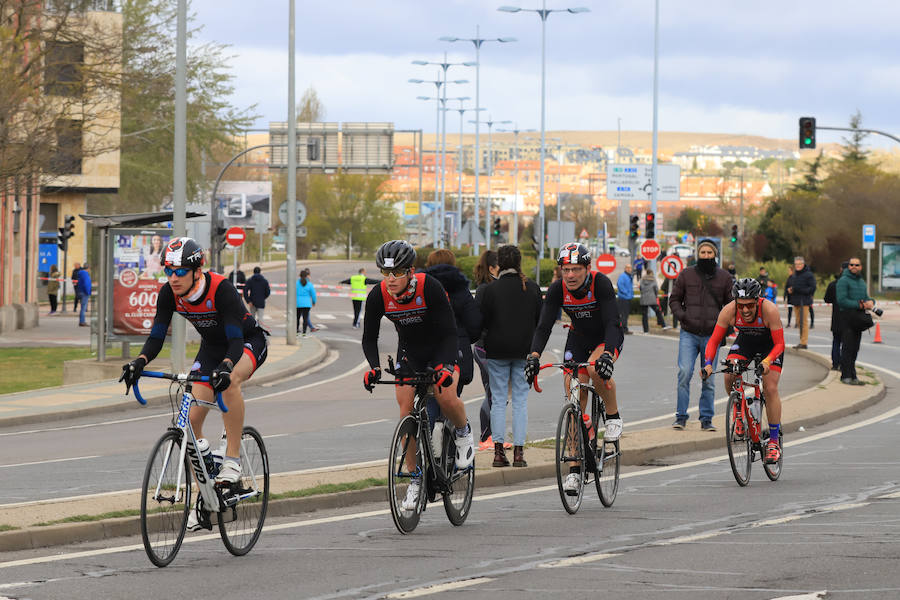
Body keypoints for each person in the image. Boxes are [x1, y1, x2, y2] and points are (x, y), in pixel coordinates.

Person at [118, 237, 269, 530]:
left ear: (196, 271)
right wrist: (140, 362)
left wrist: (226, 367)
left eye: (179, 272)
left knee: (230, 381)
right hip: (212, 348)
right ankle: (206, 499)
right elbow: (157, 336)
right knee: (189, 422)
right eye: (168, 271)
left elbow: (236, 340)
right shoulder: (169, 293)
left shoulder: (220, 289)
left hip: (246, 342)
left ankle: (233, 458)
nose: (173, 278)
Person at [362, 240, 474, 510]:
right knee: (404, 407)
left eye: (397, 273)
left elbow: (450, 333)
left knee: (445, 396)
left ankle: (462, 432)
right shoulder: (379, 295)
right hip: (410, 352)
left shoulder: (429, 287)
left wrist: (446, 367)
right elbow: (369, 337)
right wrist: (374, 367)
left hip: (442, 347)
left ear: (410, 271)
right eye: (385, 273)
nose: (390, 279)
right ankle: (415, 479)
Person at [526, 242, 624, 494]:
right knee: (573, 399)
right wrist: (534, 356)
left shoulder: (599, 283)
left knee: (594, 369)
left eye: (576, 269)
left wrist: (609, 356)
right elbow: (544, 326)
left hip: (606, 337)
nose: (570, 275)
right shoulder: (559, 288)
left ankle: (612, 417)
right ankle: (573, 470)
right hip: (578, 338)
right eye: (565, 269)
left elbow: (613, 322)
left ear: (587, 269)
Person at [701, 278, 785, 464]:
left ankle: (772, 442)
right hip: (746, 341)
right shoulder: (728, 311)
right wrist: (707, 363)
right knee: (729, 373)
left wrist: (768, 361)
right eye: (741, 306)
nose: (745, 310)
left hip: (770, 346)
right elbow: (714, 341)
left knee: (770, 388)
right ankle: (738, 412)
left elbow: (780, 343)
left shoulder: (769, 310)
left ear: (757, 301)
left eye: (749, 306)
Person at [478, 245, 542, 468]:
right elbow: (540, 321)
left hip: (496, 351)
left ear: (500, 264)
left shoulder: (489, 290)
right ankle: (519, 453)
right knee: (520, 402)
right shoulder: (532, 288)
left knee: (497, 400)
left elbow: (481, 322)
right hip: (524, 351)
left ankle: (497, 452)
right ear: (519, 263)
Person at [669, 238, 732, 431]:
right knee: (684, 373)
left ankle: (706, 419)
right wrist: (683, 316)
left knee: (709, 379)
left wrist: (725, 326)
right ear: (698, 255)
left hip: (712, 336)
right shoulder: (686, 275)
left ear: (715, 255)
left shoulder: (725, 277)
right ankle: (681, 417)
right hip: (689, 332)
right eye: (702, 253)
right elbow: (674, 300)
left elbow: (731, 306)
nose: (705, 256)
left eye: (709, 253)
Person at [424, 249, 482, 398]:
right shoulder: (461, 290)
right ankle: (457, 421)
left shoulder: (421, 288)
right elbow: (474, 325)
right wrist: (464, 338)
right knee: (452, 402)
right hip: (457, 353)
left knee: (429, 400)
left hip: (426, 354)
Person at [472, 250, 499, 447]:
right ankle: (485, 437)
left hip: (495, 348)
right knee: (494, 392)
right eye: (501, 266)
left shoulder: (495, 287)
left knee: (497, 393)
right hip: (484, 348)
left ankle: (493, 436)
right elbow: (477, 320)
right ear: (491, 268)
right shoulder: (484, 289)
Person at [836, 257, 876, 385]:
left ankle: (853, 375)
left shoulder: (861, 282)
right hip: (847, 317)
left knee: (855, 348)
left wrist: (871, 302)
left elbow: (866, 297)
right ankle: (845, 375)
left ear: (860, 267)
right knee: (847, 347)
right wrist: (860, 305)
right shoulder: (843, 281)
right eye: (851, 264)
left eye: (857, 265)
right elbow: (841, 300)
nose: (854, 266)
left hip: (858, 318)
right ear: (848, 267)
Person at [823, 262, 848, 371]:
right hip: (848, 318)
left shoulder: (833, 284)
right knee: (846, 343)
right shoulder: (850, 285)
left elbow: (826, 299)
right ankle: (844, 365)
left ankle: (835, 364)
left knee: (836, 341)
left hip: (836, 317)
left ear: (840, 269)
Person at [788, 256, 816, 349]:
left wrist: (799, 290)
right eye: (796, 264)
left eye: (799, 264)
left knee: (803, 322)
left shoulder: (809, 275)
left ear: (803, 264)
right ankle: (801, 341)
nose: (798, 266)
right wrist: (791, 290)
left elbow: (812, 288)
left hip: (804, 301)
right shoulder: (795, 275)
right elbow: (795, 287)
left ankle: (804, 342)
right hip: (796, 301)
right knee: (798, 322)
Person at [296, 269, 317, 337]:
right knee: (305, 318)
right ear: (306, 276)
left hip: (298, 303)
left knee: (297, 318)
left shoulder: (296, 283)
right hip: (307, 304)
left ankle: (296, 331)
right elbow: (313, 294)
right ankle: (304, 332)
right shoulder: (309, 284)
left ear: (299, 275)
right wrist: (314, 302)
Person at [616, 263, 634, 334]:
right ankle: (623, 329)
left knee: (625, 314)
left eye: (630, 268)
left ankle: (624, 328)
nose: (629, 269)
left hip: (627, 298)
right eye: (628, 268)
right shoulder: (623, 276)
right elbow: (620, 285)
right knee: (623, 314)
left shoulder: (629, 276)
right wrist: (626, 293)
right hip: (623, 298)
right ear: (625, 269)